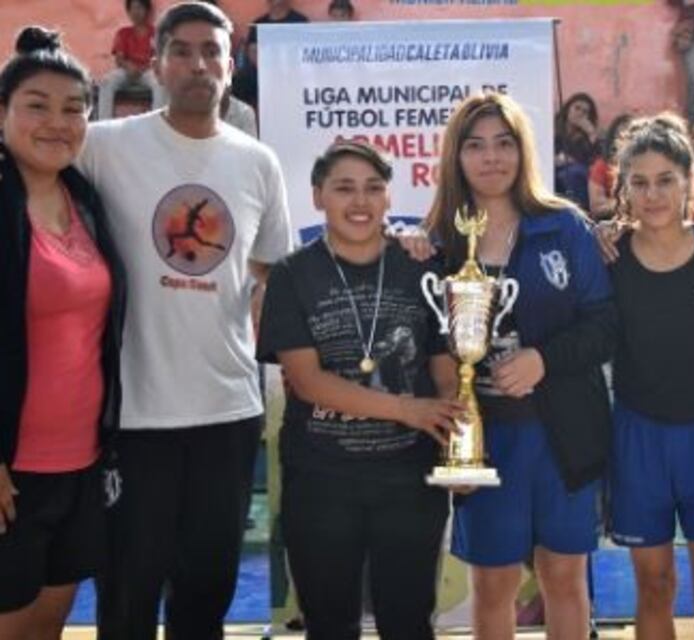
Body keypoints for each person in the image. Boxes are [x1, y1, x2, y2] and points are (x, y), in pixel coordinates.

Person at [77, 3, 293, 638]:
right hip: (134, 418)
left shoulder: (258, 162)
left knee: (207, 595)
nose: (199, 64)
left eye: (212, 53)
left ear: (232, 66)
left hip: (226, 412)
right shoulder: (104, 146)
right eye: (184, 51)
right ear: (156, 62)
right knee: (128, 597)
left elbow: (266, 271)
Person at [418, 92, 616, 639]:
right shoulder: (439, 241)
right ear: (456, 157)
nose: (491, 158)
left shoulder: (566, 227)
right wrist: (451, 434)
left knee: (563, 577)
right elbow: (430, 343)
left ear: (523, 150)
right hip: (486, 439)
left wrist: (543, 360)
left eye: (504, 143)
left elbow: (604, 324)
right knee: (494, 584)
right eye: (475, 145)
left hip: (562, 434)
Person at [257, 140, 461, 640]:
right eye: (343, 188)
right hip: (321, 479)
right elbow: (306, 381)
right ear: (317, 196)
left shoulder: (421, 268)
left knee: (410, 623)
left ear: (390, 199)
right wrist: (406, 409)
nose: (360, 202)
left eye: (373, 188)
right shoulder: (291, 275)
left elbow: (447, 371)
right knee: (329, 626)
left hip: (407, 481)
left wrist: (461, 444)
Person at [0, 26, 126, 639]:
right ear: (2, 114)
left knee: (48, 620)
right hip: (11, 467)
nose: (58, 123)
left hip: (80, 461)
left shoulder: (85, 199)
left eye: (73, 109)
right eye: (37, 106)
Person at [606, 115, 694, 640]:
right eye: (638, 182)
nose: (653, 193)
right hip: (640, 439)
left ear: (690, 180)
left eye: (665, 179)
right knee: (656, 587)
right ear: (623, 188)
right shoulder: (609, 258)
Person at [97, 0, 166, 120]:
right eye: (133, 9)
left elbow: (160, 57)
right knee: (106, 82)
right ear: (128, 12)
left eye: (139, 8)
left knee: (160, 84)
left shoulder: (155, 33)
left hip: (148, 71)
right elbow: (119, 59)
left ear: (147, 11)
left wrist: (143, 68)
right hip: (127, 72)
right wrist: (129, 66)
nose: (136, 12)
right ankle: (104, 123)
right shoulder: (123, 33)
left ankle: (157, 124)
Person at [554, 92, 600, 211]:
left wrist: (591, 134)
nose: (579, 113)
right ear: (568, 108)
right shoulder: (553, 127)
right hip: (553, 170)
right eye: (577, 108)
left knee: (573, 173)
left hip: (576, 176)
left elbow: (594, 161)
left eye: (585, 112)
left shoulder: (587, 136)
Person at [588, 112, 633, 220]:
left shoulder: (647, 166)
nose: (626, 140)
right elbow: (596, 208)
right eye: (621, 135)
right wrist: (625, 204)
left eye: (630, 135)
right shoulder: (601, 166)